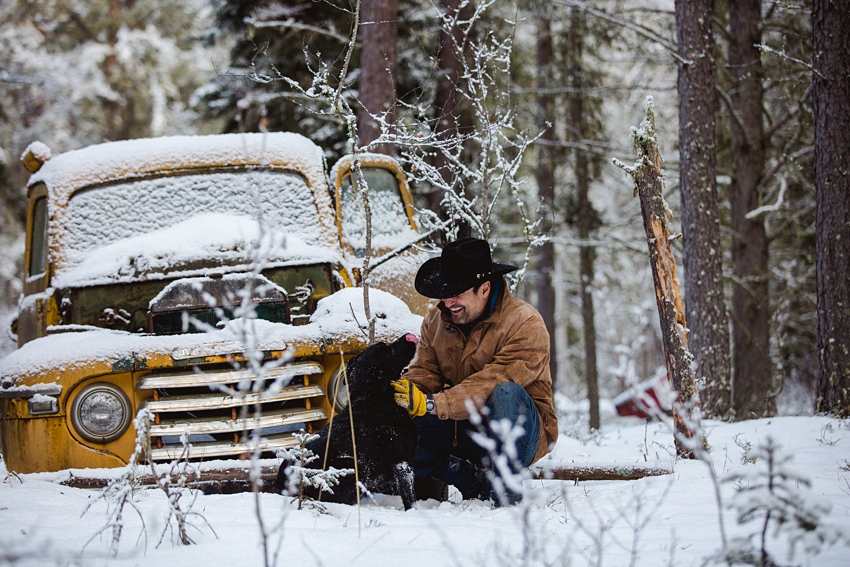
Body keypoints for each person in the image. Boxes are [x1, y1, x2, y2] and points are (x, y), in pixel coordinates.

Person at [392, 238, 558, 504]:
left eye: (456, 292)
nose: (448, 301)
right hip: (465, 429)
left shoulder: (525, 323)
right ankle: (469, 479)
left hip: (521, 434)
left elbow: (492, 382)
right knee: (397, 426)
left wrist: (433, 403)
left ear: (484, 288)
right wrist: (407, 394)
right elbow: (424, 372)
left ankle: (506, 491)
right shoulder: (435, 322)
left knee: (506, 393)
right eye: (445, 292)